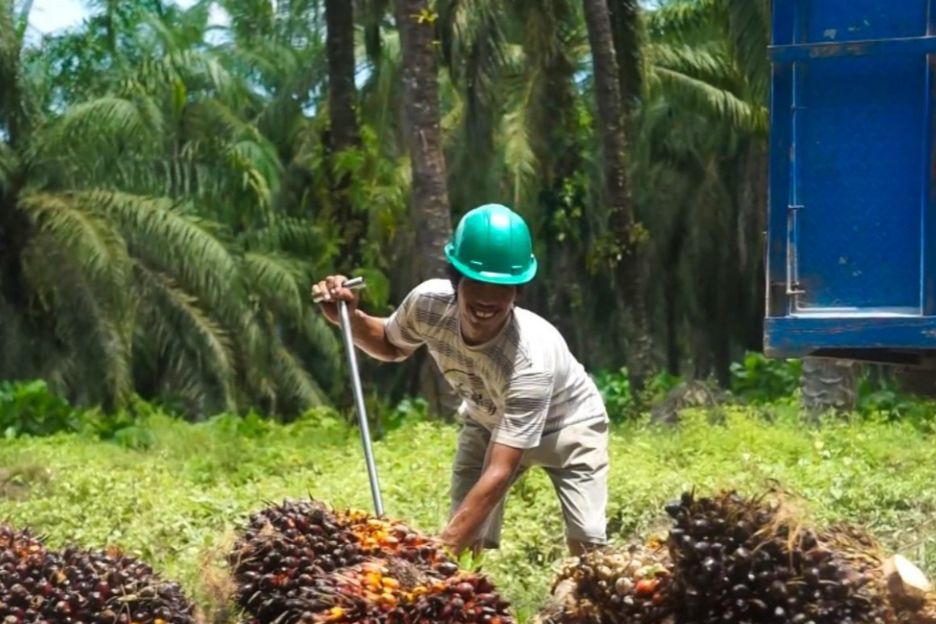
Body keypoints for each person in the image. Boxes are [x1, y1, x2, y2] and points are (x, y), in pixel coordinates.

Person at [312, 203, 610, 556]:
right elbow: (390, 345)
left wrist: (437, 554)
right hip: (488, 420)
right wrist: (348, 317)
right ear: (457, 279)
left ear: (519, 290)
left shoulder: (531, 362)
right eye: (477, 282)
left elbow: (500, 470)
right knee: (468, 531)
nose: (487, 298)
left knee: (588, 543)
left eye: (503, 287)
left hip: (567, 426)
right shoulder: (428, 305)